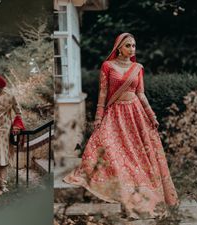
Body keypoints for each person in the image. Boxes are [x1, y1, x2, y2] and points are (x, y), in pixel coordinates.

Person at [63, 33, 178, 219]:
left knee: (137, 155)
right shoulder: (108, 66)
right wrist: (98, 117)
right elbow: (103, 93)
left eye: (134, 46)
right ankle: (110, 183)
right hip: (114, 113)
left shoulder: (137, 68)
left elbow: (141, 94)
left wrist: (152, 115)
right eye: (128, 46)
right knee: (104, 144)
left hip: (135, 114)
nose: (132, 49)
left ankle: (140, 198)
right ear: (118, 48)